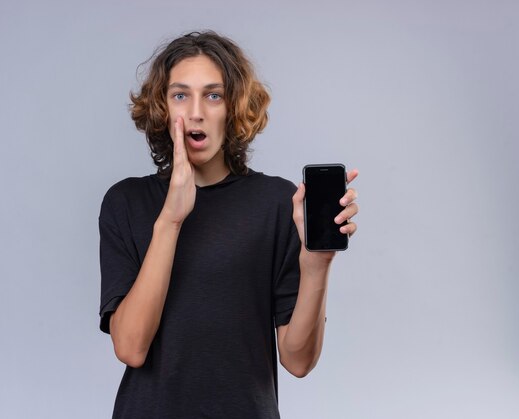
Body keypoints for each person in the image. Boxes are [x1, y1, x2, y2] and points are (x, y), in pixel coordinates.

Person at [98, 31, 359, 418]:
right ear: (162, 108)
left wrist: (317, 263)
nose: (197, 111)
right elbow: (131, 347)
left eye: (214, 95)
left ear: (233, 108)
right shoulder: (127, 202)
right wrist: (170, 219)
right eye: (181, 95)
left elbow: (298, 361)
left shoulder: (274, 202)